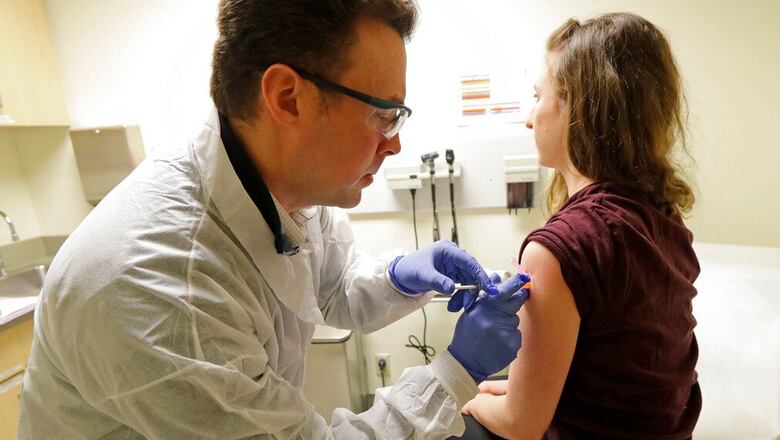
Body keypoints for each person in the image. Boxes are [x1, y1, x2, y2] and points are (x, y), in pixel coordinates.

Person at [17, 1, 531, 438]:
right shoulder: (162, 285)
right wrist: (455, 371)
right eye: (383, 114)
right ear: (288, 97)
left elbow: (328, 287)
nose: (394, 142)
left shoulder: (285, 183)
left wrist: (398, 275)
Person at [460, 12, 701, 440]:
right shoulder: (663, 218)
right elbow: (617, 370)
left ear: (576, 107)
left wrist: (468, 399)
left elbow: (522, 425)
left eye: (539, 96)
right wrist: (518, 392)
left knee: (458, 419)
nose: (530, 118)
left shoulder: (557, 249)